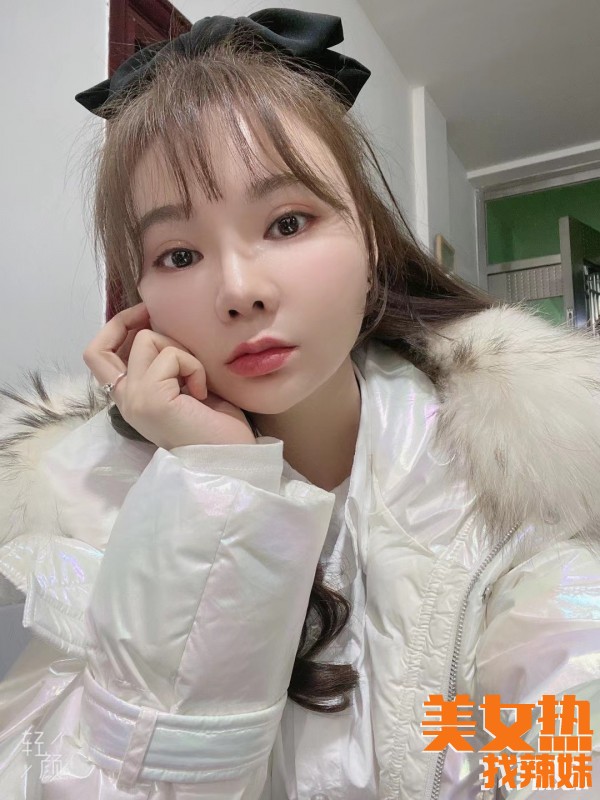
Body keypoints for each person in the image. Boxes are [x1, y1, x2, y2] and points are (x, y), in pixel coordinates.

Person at [0, 8, 598, 799]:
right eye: (178, 254)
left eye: (288, 222)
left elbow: (563, 745)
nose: (239, 290)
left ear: (370, 241)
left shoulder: (519, 480)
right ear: (137, 300)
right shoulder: (80, 509)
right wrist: (218, 489)